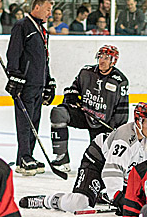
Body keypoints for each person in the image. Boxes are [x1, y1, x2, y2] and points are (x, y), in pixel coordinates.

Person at [20, 102, 147, 213]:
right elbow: (112, 169)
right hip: (97, 162)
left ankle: (102, 195)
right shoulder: (124, 138)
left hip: (118, 171)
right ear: (138, 122)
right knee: (79, 203)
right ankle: (47, 201)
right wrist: (117, 197)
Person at [48, 45, 130, 175]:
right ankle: (61, 159)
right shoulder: (86, 72)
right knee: (59, 113)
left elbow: (122, 109)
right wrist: (72, 96)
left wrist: (116, 129)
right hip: (85, 114)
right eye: (100, 57)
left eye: (106, 58)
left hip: (104, 123)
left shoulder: (120, 81)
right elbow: (73, 89)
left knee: (98, 162)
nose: (102, 61)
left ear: (113, 61)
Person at [5, 0, 56, 176]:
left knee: (34, 122)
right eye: (48, 9)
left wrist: (48, 81)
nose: (50, 13)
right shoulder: (22, 26)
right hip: (26, 84)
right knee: (25, 123)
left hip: (38, 84)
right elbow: (13, 53)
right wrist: (15, 76)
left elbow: (44, 60)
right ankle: (24, 157)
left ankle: (27, 157)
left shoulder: (42, 30)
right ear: (37, 7)